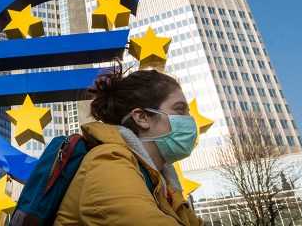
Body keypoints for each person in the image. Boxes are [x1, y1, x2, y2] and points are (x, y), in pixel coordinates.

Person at [55, 61, 204, 226]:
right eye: (179, 109)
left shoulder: (164, 184)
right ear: (142, 118)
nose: (189, 119)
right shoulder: (107, 163)